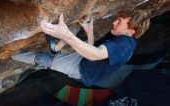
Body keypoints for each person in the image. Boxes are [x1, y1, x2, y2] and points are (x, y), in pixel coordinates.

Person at [12, 10, 150, 87]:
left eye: (119, 22)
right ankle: (56, 48)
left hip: (81, 69)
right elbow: (92, 49)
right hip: (86, 59)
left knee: (43, 58)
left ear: (131, 31)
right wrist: (90, 31)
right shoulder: (118, 34)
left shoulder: (125, 45)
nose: (114, 23)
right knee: (77, 25)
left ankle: (12, 55)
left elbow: (95, 55)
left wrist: (66, 35)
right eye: (117, 19)